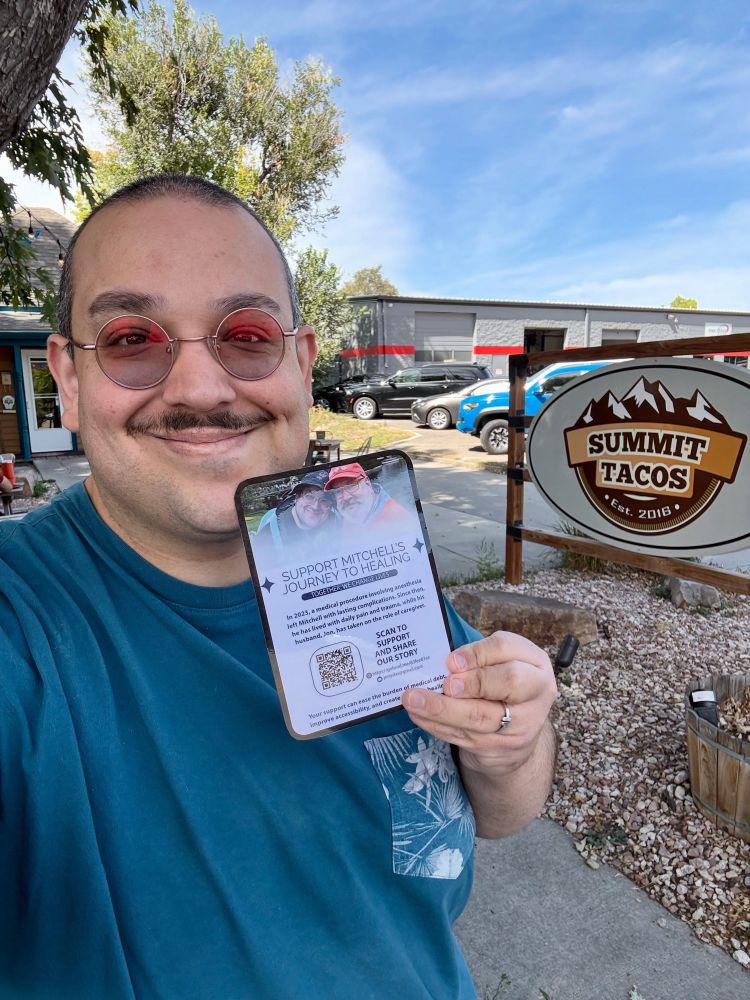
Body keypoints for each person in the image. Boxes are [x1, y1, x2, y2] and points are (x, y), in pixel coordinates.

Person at [0, 174, 557, 999]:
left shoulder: (364, 549)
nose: (197, 389)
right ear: (69, 379)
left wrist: (512, 741)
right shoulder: (24, 624)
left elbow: (500, 812)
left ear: (298, 364)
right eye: (130, 338)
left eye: (247, 333)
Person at [253, 468, 334, 554]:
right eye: (309, 496)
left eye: (324, 500)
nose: (315, 506)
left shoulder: (337, 522)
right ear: (297, 497)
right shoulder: (268, 538)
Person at [324, 461, 416, 536]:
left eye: (351, 486)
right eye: (337, 491)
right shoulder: (348, 512)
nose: (346, 497)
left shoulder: (399, 520)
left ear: (367, 483)